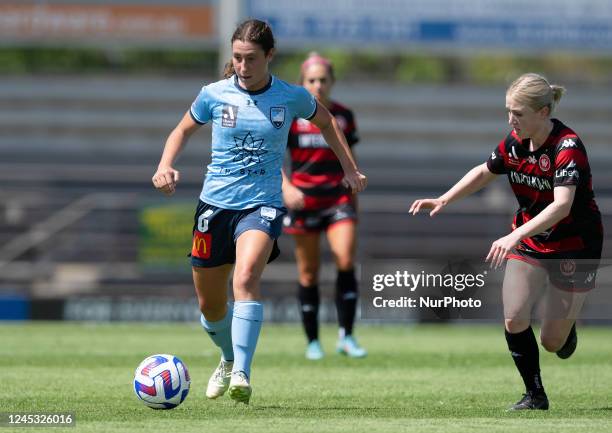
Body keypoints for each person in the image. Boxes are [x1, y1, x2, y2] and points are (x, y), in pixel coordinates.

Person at [151, 19, 367, 405]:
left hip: (262, 206)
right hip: (214, 205)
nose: (243, 66)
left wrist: (349, 168)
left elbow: (327, 122)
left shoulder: (291, 96)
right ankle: (228, 355)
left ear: (269, 55)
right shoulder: (213, 95)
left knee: (247, 276)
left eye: (251, 58)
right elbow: (181, 130)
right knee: (210, 306)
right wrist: (165, 165)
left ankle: (242, 373)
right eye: (236, 58)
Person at [409, 73, 603, 411]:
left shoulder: (567, 146)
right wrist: (444, 199)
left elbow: (562, 206)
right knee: (514, 318)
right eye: (508, 111)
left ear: (543, 112)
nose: (511, 119)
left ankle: (566, 330)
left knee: (552, 341)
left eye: (518, 113)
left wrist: (513, 235)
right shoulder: (515, 141)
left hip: (574, 244)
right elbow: (486, 170)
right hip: (530, 240)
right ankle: (535, 395)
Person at [282, 53, 366, 360]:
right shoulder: (291, 116)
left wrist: (353, 186)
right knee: (308, 273)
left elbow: (349, 156)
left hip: (337, 199)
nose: (318, 85)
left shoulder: (343, 115)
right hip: (303, 200)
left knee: (345, 259)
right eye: (311, 80)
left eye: (323, 80)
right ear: (302, 83)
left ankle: (347, 336)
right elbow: (272, 155)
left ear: (331, 82)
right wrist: (286, 187)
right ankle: (313, 341)